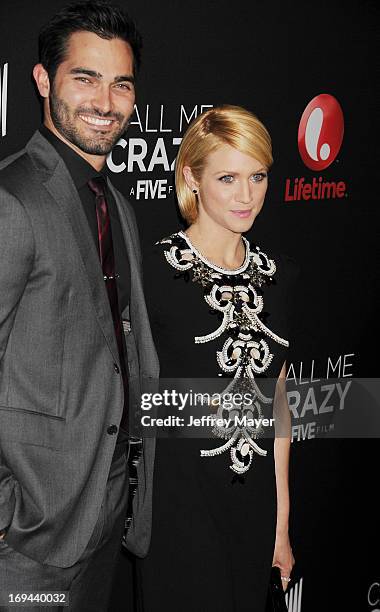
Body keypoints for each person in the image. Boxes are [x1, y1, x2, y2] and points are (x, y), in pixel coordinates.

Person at [0, 2, 158, 610]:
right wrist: (9, 514)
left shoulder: (116, 206)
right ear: (43, 81)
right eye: (84, 78)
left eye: (120, 83)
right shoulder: (12, 201)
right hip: (28, 542)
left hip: (104, 517)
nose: (105, 101)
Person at [136, 105, 298, 611]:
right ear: (192, 177)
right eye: (228, 177)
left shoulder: (280, 278)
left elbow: (279, 409)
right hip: (175, 509)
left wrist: (280, 525)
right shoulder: (152, 272)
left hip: (251, 510)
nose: (247, 195)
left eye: (258, 176)